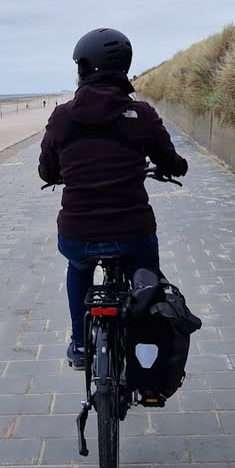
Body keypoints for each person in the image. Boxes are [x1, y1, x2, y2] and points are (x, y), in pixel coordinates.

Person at [38, 28, 189, 369]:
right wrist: (177, 167)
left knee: (78, 269)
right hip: (133, 231)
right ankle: (143, 349)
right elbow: (169, 159)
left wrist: (60, 174)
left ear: (86, 69)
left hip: (79, 233)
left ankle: (79, 344)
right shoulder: (142, 114)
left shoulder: (63, 116)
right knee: (146, 279)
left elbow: (47, 169)